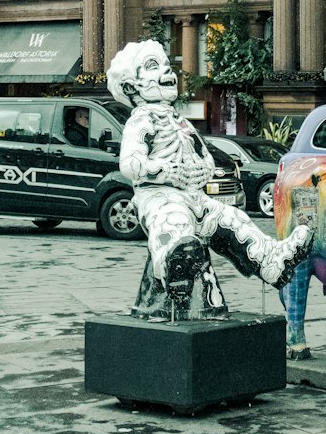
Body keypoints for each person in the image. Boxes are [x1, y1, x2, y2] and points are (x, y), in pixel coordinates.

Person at [107, 40, 312, 318]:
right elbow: (130, 164)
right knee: (172, 224)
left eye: (167, 65)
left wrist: (202, 171)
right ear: (132, 87)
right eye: (153, 66)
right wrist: (167, 170)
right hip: (159, 195)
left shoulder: (180, 121)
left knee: (232, 219)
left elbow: (205, 157)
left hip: (194, 196)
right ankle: (173, 266)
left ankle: (270, 260)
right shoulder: (141, 121)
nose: (168, 71)